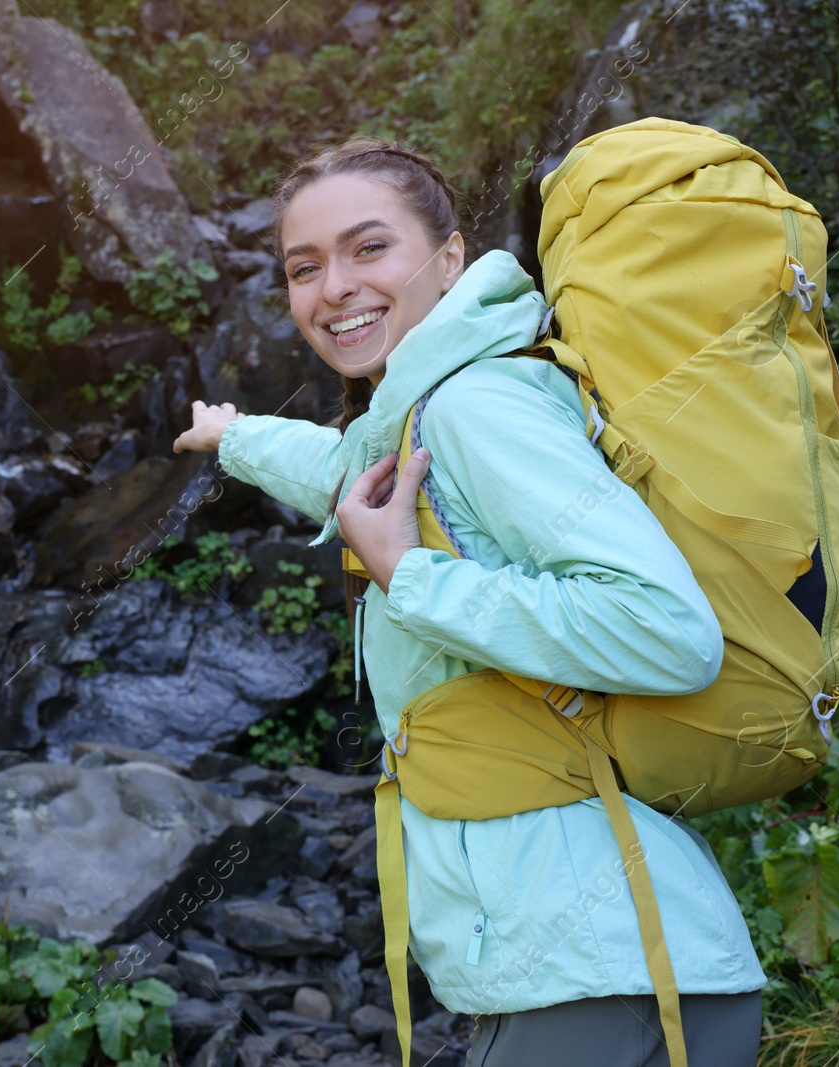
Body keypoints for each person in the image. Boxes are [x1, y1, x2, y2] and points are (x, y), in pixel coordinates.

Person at [173, 139, 766, 1066]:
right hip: (607, 976)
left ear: (450, 258)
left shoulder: (475, 406)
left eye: (369, 249)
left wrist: (414, 577)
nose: (334, 287)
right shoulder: (421, 411)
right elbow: (343, 472)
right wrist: (234, 436)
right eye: (304, 266)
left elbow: (667, 628)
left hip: (600, 982)